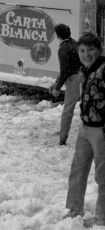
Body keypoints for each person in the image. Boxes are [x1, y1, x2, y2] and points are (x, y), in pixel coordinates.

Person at [64, 33, 105, 227]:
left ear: (99, 50)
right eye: (82, 50)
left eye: (91, 50)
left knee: (103, 175)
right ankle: (74, 209)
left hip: (102, 131)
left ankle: (102, 216)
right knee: (77, 170)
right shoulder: (84, 70)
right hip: (85, 127)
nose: (86, 54)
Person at [49, 24, 82, 146]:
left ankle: (63, 139)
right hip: (82, 76)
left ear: (58, 35)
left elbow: (65, 71)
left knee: (67, 110)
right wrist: (56, 83)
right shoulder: (75, 43)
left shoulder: (63, 49)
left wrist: (57, 87)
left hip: (73, 79)